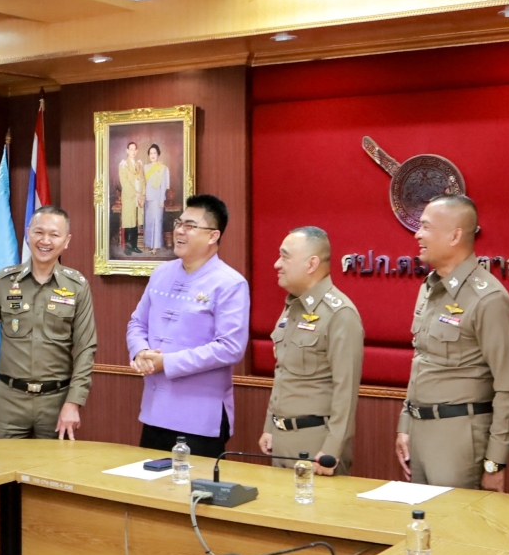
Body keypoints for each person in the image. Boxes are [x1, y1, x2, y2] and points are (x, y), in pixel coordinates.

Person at [395, 195, 509, 491]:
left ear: (455, 235)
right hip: (419, 431)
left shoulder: (488, 299)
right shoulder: (430, 289)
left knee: (454, 529)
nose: (417, 234)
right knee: (421, 526)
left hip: (459, 436)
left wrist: (495, 461)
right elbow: (421, 361)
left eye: (426, 227)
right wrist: (406, 424)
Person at [127, 194, 249, 458]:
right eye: (179, 223)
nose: (180, 231)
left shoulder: (230, 283)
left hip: (199, 420)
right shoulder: (161, 273)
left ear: (213, 236)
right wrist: (140, 352)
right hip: (155, 411)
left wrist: (167, 363)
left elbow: (230, 348)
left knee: (192, 495)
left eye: (190, 226)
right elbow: (138, 322)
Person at [0, 206, 97, 440]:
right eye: (39, 232)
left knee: (49, 474)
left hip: (55, 403)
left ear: (66, 241)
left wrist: (73, 402)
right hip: (8, 402)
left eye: (54, 235)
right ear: (28, 234)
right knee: (4, 473)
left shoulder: (77, 286)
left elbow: (85, 349)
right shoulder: (4, 280)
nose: (45, 241)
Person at [258, 227, 363, 474]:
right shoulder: (292, 307)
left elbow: (345, 392)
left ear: (311, 263)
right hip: (281, 440)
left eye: (284, 257)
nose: (276, 264)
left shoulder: (340, 314)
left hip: (316, 444)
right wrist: (270, 426)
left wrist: (332, 450)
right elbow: (283, 372)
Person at [143, 144, 169, 254]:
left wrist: (162, 200)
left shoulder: (163, 168)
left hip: (158, 199)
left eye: (154, 153)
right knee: (148, 222)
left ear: (158, 154)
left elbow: (164, 185)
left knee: (156, 222)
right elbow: (143, 183)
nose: (153, 155)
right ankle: (149, 244)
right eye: (151, 153)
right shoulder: (145, 167)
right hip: (147, 198)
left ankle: (155, 246)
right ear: (148, 155)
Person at [119, 141, 144, 255]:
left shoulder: (139, 164)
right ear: (127, 151)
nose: (133, 152)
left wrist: (141, 193)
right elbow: (125, 182)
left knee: (135, 222)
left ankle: (134, 246)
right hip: (130, 197)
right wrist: (135, 193)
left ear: (137, 151)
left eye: (135, 149)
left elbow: (143, 180)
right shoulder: (123, 164)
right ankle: (127, 248)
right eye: (131, 149)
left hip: (138, 197)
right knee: (129, 222)